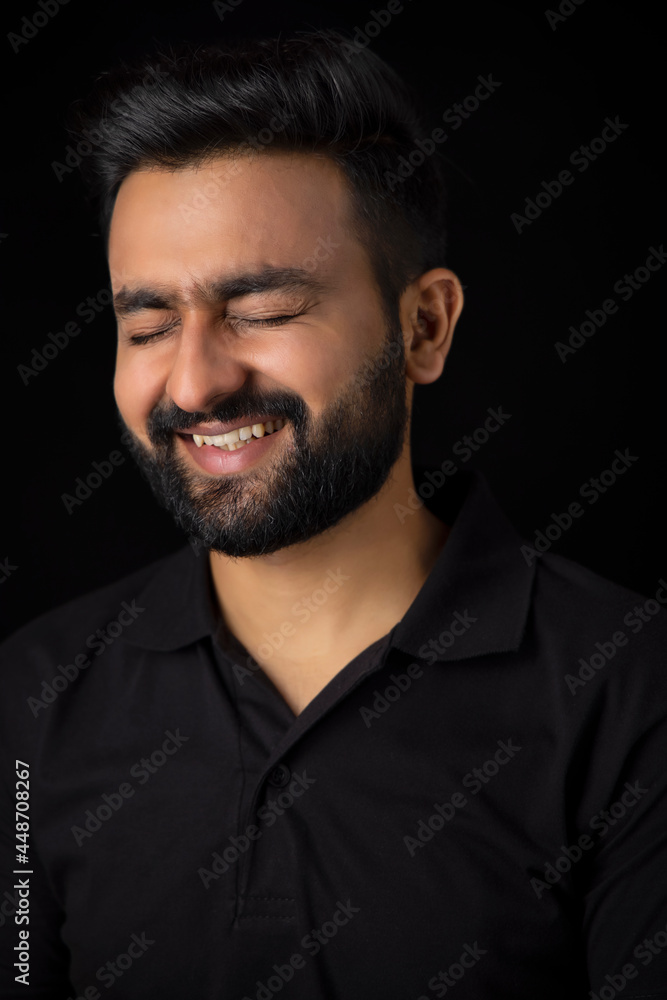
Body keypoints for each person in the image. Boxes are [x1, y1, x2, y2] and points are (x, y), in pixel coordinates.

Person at [1, 29, 666, 1000]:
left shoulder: (631, 694)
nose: (194, 380)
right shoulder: (30, 700)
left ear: (423, 327)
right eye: (146, 325)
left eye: (262, 312)